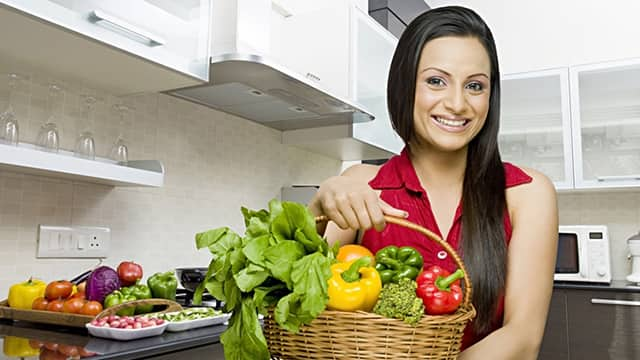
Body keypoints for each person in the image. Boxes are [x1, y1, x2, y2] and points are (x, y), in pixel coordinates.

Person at [308, 5, 558, 360]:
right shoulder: (362, 183)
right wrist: (318, 209)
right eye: (436, 81)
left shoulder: (528, 193)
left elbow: (522, 338)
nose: (457, 103)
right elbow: (300, 298)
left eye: (475, 86)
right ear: (405, 85)